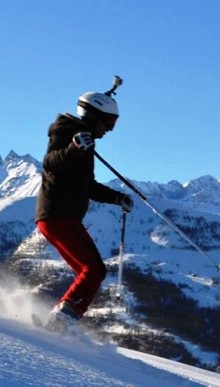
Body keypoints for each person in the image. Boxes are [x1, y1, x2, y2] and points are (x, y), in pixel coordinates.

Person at [36, 90, 133, 331]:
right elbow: (51, 162)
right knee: (94, 270)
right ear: (95, 116)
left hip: (61, 217)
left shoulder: (85, 139)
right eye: (110, 121)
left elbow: (86, 185)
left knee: (86, 271)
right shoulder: (66, 131)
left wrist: (116, 197)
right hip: (58, 215)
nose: (110, 129)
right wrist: (74, 148)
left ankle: (61, 319)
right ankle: (62, 321)